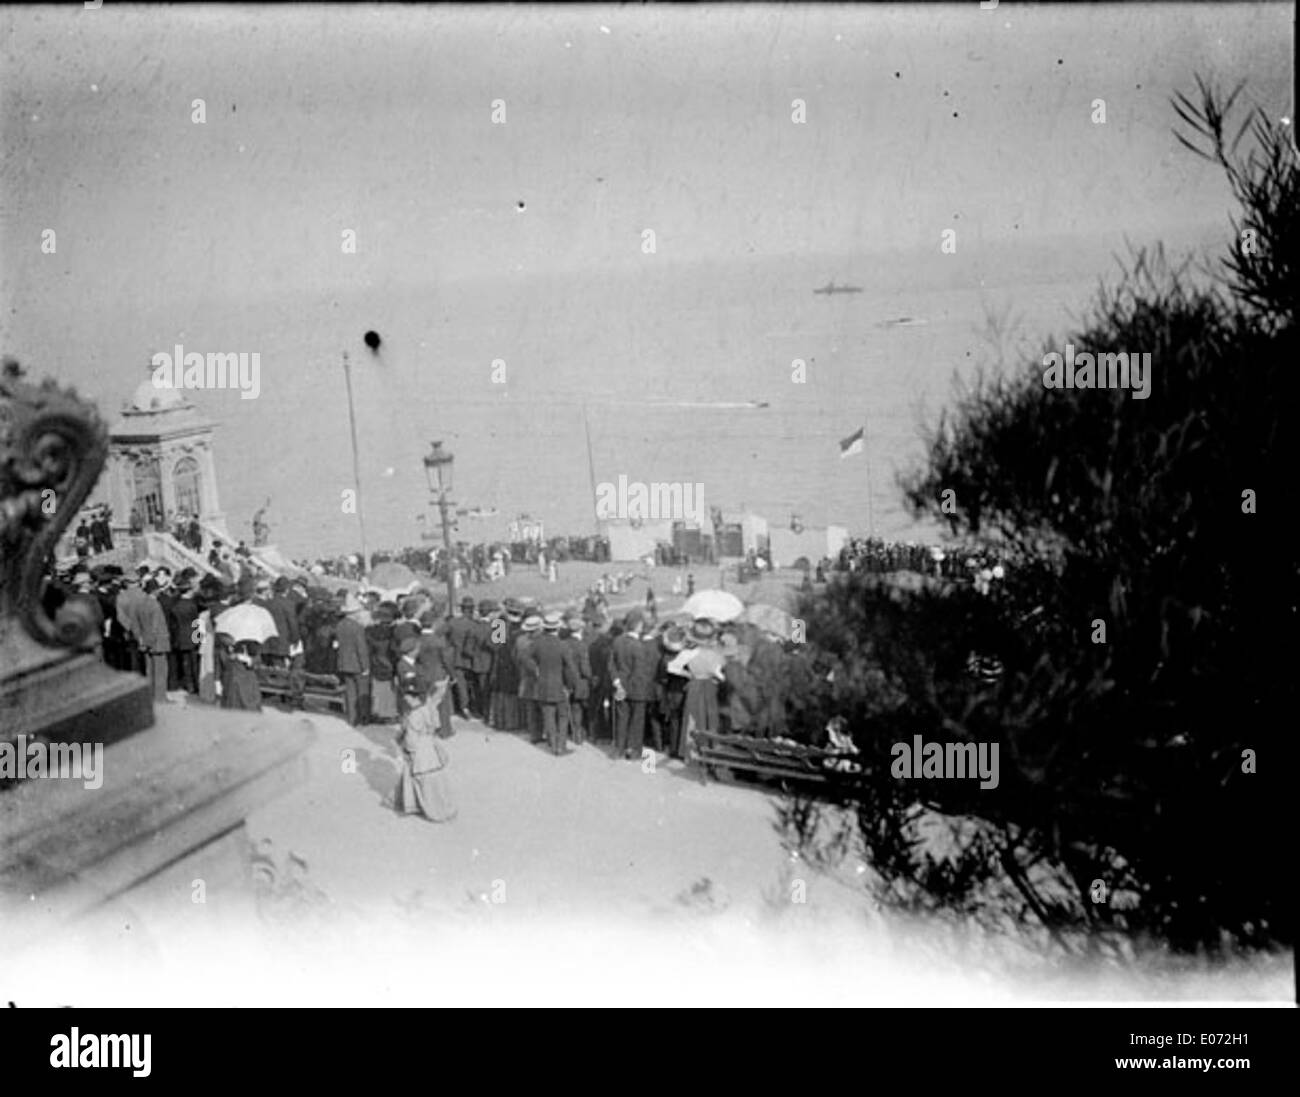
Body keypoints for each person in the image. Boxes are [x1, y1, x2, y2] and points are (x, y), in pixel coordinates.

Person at [394, 675, 457, 823]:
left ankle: (424, 806)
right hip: (429, 745)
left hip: (419, 748)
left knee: (419, 777)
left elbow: (411, 737)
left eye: (407, 696)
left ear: (412, 696)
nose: (405, 699)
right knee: (433, 777)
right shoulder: (427, 709)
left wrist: (408, 750)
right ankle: (441, 804)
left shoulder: (413, 715)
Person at [520, 612, 569, 755]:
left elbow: (520, 656)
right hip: (558, 684)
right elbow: (569, 667)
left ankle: (552, 744)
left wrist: (535, 668)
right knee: (562, 716)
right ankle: (560, 745)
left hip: (539, 683)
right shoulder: (561, 644)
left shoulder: (524, 640)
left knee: (547, 715)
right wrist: (571, 684)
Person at [334, 593, 371, 727]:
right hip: (357, 664)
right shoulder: (358, 628)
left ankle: (352, 718)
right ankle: (363, 718)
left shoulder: (339, 625)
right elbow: (362, 649)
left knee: (350, 691)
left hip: (344, 662)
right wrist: (365, 666)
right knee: (362, 691)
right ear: (354, 613)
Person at [561, 614, 592, 745]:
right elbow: (585, 668)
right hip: (580, 681)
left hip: (567, 679)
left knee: (573, 707)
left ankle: (574, 732)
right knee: (580, 707)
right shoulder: (581, 645)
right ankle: (579, 734)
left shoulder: (563, 643)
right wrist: (591, 676)